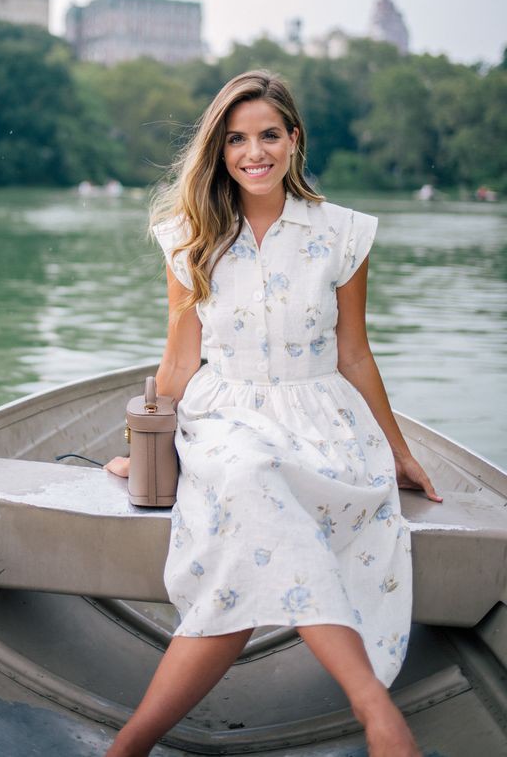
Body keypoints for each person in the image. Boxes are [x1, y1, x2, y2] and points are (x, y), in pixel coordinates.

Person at [105, 70, 442, 757]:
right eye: (235, 139)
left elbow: (354, 354)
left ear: (294, 140)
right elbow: (178, 357)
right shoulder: (190, 235)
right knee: (251, 472)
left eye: (267, 135)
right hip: (226, 414)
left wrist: (398, 448)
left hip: (325, 419)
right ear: (219, 148)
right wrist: (138, 449)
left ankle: (128, 746)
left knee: (245, 541)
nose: (252, 152)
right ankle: (374, 708)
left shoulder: (343, 234)